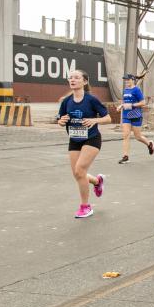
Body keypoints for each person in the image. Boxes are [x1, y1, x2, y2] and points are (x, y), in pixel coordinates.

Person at [57, 69, 112, 219]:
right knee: (77, 173)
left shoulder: (91, 99)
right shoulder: (66, 101)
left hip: (92, 139)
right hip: (74, 140)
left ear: (85, 81)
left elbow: (108, 118)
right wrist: (61, 122)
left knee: (80, 170)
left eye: (76, 77)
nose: (72, 80)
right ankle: (97, 181)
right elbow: (60, 119)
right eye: (70, 78)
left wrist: (94, 120)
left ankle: (85, 207)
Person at [117, 74, 154, 164]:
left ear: (132, 80)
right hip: (126, 115)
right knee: (126, 135)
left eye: (128, 80)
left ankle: (149, 144)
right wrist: (121, 106)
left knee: (137, 136)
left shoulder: (137, 90)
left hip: (136, 115)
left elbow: (143, 102)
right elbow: (125, 102)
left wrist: (132, 105)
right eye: (125, 80)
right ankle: (126, 157)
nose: (126, 82)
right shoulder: (125, 90)